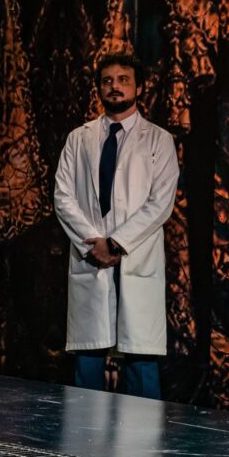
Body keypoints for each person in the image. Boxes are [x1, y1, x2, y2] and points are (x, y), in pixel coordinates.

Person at [53, 53, 179, 399]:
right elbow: (63, 196)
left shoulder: (158, 141)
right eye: (107, 80)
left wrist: (118, 243)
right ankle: (84, 447)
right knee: (89, 358)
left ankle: (137, 449)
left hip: (135, 257)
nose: (115, 86)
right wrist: (94, 241)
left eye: (123, 79)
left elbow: (160, 203)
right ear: (98, 88)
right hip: (92, 256)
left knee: (140, 358)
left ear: (138, 87)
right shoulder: (79, 139)